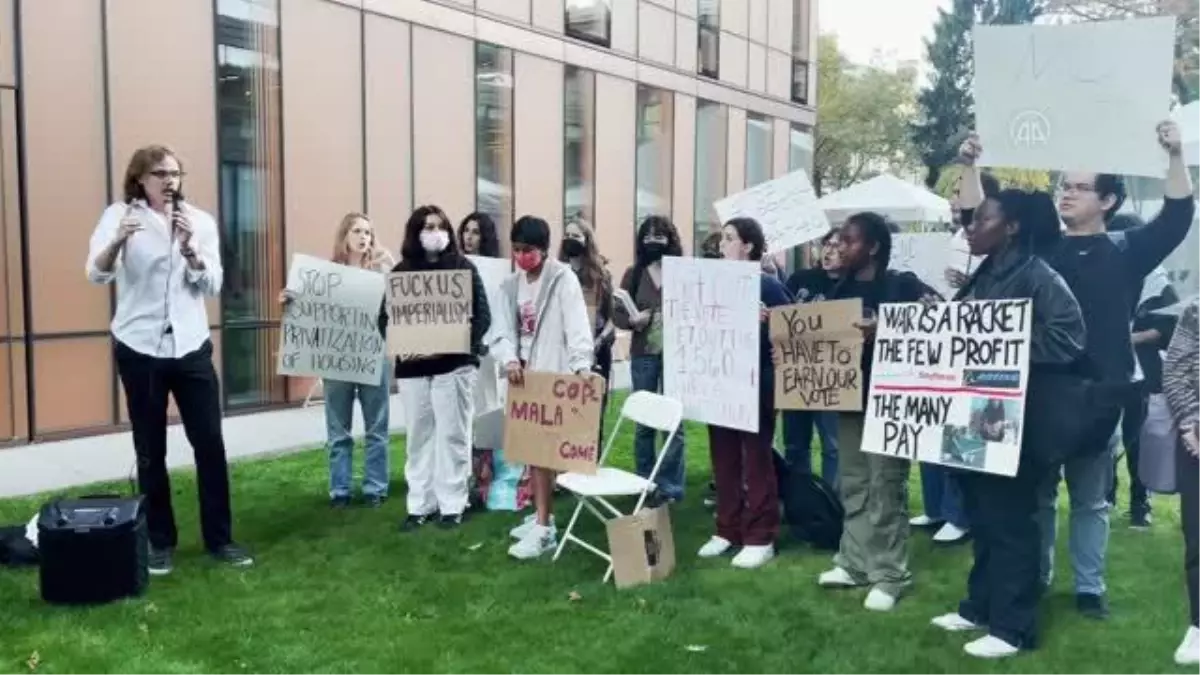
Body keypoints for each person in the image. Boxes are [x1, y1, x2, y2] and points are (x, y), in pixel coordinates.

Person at [1040, 121, 1193, 619]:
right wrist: (973, 166)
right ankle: (1035, 578)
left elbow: (1176, 217)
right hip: (1041, 394)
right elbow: (979, 216)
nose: (1067, 194)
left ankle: (1089, 590)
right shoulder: (1042, 251)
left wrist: (1175, 155)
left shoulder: (1128, 252)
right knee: (1037, 497)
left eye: (1080, 187)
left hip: (1099, 397)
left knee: (1090, 499)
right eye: (1064, 185)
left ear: (1106, 201)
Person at [929, 187, 1087, 659]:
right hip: (974, 419)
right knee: (982, 514)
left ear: (1012, 227)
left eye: (981, 219)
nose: (970, 228)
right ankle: (979, 606)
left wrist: (1007, 350)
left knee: (1011, 522)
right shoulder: (981, 277)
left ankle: (1013, 627)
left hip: (1017, 425)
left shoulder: (1039, 276)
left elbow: (1069, 339)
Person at [85, 144, 251, 575]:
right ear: (141, 178)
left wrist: (191, 250)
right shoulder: (118, 217)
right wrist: (119, 240)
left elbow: (212, 283)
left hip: (191, 345)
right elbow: (96, 272)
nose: (169, 180)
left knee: (210, 444)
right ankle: (161, 540)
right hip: (139, 346)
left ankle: (220, 538)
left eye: (175, 173)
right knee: (150, 449)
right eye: (160, 173)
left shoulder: (199, 222)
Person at [816, 211, 939, 612]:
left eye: (848, 241)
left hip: (893, 404)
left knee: (886, 487)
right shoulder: (839, 292)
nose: (839, 248)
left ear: (872, 247)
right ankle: (853, 562)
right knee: (854, 483)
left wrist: (882, 327)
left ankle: (889, 574)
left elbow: (936, 324)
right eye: (837, 242)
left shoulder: (903, 285)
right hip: (850, 401)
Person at [493, 215, 594, 560]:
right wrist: (508, 359)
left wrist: (582, 366)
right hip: (523, 379)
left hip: (552, 376)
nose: (522, 257)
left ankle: (544, 525)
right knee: (532, 455)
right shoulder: (510, 286)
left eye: (528, 250)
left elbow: (577, 324)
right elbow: (502, 331)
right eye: (517, 250)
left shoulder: (562, 279)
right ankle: (540, 516)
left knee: (544, 455)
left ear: (544, 249)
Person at [696, 218, 793, 568]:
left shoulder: (767, 286)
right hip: (720, 381)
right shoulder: (712, 284)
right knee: (723, 458)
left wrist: (769, 322)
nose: (721, 245)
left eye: (729, 239)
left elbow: (794, 331)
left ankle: (760, 534)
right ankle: (727, 528)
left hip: (755, 384)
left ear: (748, 246)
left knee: (755, 458)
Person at [281, 213, 394, 509]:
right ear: (344, 236)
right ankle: (339, 490)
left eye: (368, 232)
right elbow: (310, 311)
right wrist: (291, 301)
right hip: (338, 358)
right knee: (338, 429)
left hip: (373, 354)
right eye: (357, 231)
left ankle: (375, 488)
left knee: (377, 427)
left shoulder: (381, 273)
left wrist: (390, 265)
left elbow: (401, 304)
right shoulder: (326, 275)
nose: (363, 237)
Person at [393, 205, 492, 531]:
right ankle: (419, 505)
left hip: (454, 367)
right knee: (419, 438)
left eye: (439, 226)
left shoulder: (464, 269)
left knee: (453, 434)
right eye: (426, 226)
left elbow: (482, 314)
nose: (434, 232)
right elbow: (386, 318)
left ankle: (453, 504)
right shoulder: (401, 274)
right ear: (415, 233)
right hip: (413, 370)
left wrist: (463, 344)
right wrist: (403, 342)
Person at [1106, 214, 1179, 529]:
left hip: (1143, 370)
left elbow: (1169, 327)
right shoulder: (1103, 272)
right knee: (1104, 437)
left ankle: (1140, 504)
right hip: (1106, 369)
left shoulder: (1157, 280)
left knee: (1137, 440)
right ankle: (1105, 496)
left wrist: (1129, 338)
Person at [613, 216, 687, 504]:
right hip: (643, 354)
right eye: (648, 235)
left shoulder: (682, 272)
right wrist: (632, 321)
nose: (653, 241)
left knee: (674, 424)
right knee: (644, 420)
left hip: (676, 357)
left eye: (660, 235)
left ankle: (670, 486)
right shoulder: (634, 274)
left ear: (671, 240)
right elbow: (615, 312)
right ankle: (644, 482)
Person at [782, 228, 842, 485]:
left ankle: (831, 504)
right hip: (796, 373)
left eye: (837, 246)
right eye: (826, 244)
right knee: (795, 444)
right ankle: (801, 502)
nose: (829, 250)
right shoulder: (800, 279)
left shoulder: (852, 284)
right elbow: (780, 315)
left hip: (833, 377)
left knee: (833, 445)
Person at [1163, 298, 1200, 665]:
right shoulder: (1197, 310)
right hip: (1198, 439)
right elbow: (1174, 369)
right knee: (1199, 535)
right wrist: (1192, 423)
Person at [559, 217, 615, 446]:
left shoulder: (601, 275)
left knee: (592, 412)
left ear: (587, 241)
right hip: (565, 353)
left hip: (597, 350)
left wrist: (599, 341)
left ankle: (590, 462)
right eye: (568, 236)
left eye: (576, 236)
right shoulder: (558, 274)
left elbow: (613, 317)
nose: (571, 240)